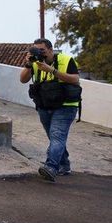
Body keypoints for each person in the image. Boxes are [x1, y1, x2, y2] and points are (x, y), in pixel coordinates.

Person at [19, 38, 81, 182]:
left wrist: (52, 70)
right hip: (45, 105)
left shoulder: (66, 60)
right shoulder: (34, 63)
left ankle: (51, 167)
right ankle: (64, 165)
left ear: (51, 50)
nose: (40, 54)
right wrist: (28, 64)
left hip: (65, 105)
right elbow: (22, 79)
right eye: (37, 51)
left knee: (57, 135)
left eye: (43, 51)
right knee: (55, 137)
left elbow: (75, 79)